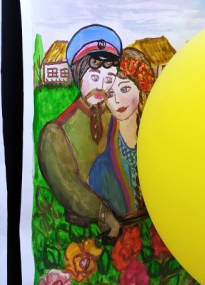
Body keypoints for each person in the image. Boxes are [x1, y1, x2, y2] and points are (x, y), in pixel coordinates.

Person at [37, 24, 123, 237]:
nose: (101, 86)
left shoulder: (118, 119)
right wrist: (102, 213)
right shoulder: (55, 132)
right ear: (77, 74)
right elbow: (67, 186)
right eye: (94, 77)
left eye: (109, 79)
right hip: (77, 231)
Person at [89, 48, 155, 220]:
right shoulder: (101, 169)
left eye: (125, 89)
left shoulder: (158, 147)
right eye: (110, 93)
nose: (117, 100)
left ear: (141, 88)